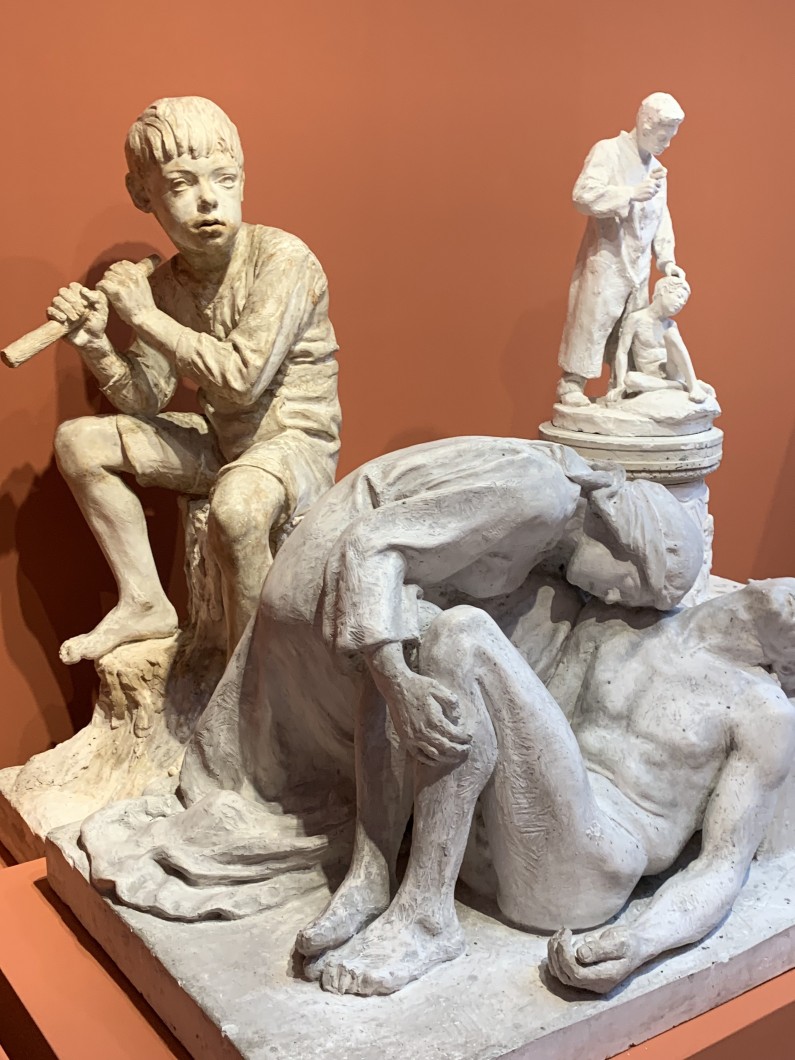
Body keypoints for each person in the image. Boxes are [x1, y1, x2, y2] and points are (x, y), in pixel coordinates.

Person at [78, 436, 702, 925]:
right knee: (442, 673)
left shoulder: (557, 512)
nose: (615, 601)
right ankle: (382, 881)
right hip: (330, 587)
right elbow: (373, 543)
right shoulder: (540, 495)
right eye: (630, 587)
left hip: (355, 583)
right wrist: (397, 678)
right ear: (624, 538)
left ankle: (381, 870)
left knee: (467, 646)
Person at [308, 580, 795, 998]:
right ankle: (374, 873)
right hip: (506, 830)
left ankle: (427, 919)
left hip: (589, 864)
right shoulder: (621, 624)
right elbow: (535, 729)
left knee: (463, 632)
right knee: (404, 623)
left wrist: (642, 940)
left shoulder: (763, 711)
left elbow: (723, 866)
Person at [48, 96, 341, 662]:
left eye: (224, 179)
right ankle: (144, 600)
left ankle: (255, 679)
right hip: (223, 444)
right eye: (181, 185)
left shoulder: (283, 259)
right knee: (78, 442)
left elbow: (241, 379)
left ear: (242, 180)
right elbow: (145, 397)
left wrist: (144, 316)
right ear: (143, 195)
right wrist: (96, 345)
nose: (209, 199)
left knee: (236, 512)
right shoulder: (167, 285)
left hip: (294, 445)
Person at [557, 92, 686, 407]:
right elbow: (583, 195)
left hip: (638, 267)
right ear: (645, 124)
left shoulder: (657, 169)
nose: (667, 144)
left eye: (671, 137)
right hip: (607, 260)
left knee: (630, 326)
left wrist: (667, 261)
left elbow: (662, 218)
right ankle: (572, 383)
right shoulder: (608, 151)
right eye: (663, 136)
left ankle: (621, 385)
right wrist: (629, 193)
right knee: (594, 320)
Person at [607, 276, 709, 403]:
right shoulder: (636, 319)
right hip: (650, 376)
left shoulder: (671, 325)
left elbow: (677, 353)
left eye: (683, 302)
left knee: (671, 333)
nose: (680, 304)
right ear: (663, 290)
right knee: (630, 379)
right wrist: (620, 385)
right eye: (678, 297)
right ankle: (681, 385)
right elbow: (622, 352)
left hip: (672, 372)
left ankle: (693, 386)